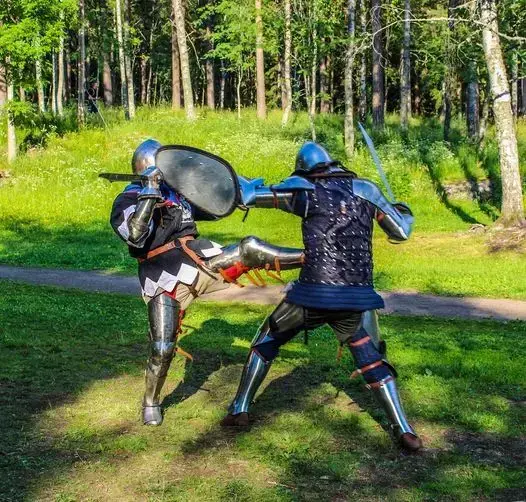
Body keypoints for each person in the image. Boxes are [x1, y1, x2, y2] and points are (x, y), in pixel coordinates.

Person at [221, 141, 422, 452]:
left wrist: (242, 182)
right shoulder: (366, 189)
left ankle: (240, 408)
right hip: (354, 298)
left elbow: (248, 197)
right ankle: (404, 429)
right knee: (370, 359)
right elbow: (401, 232)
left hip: (312, 295)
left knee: (266, 341)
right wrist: (403, 212)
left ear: (305, 169)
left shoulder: (304, 189)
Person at [109, 139, 304, 426]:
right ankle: (151, 400)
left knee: (248, 249)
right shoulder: (127, 199)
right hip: (163, 275)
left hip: (198, 261)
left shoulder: (177, 194)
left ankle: (311, 257)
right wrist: (149, 193)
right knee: (162, 347)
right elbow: (136, 236)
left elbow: (213, 204)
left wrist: (238, 191)